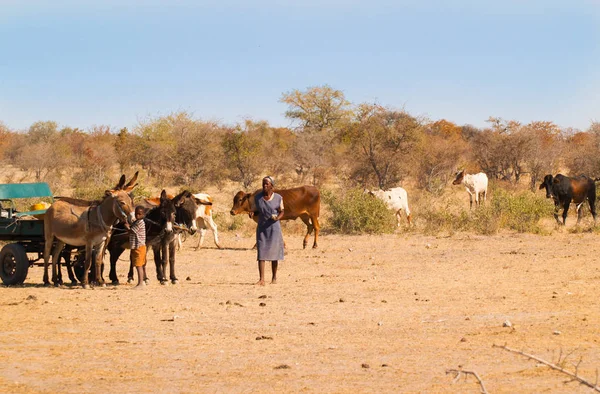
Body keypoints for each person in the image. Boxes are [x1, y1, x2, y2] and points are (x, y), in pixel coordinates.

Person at [249, 176, 284, 285]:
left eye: (267, 184)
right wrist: (252, 213)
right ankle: (262, 279)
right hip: (262, 228)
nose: (264, 186)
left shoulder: (278, 198)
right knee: (261, 253)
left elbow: (282, 211)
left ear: (271, 186)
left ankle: (274, 278)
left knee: (274, 254)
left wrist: (278, 218)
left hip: (274, 228)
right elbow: (255, 209)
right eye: (263, 184)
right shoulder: (258, 198)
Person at [125, 205, 147, 288]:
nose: (137, 215)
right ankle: (140, 282)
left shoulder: (140, 222)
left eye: (139, 214)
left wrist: (127, 227)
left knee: (139, 265)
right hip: (136, 246)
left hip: (139, 247)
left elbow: (132, 231)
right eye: (136, 214)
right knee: (137, 264)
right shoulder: (137, 222)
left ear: (143, 214)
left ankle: (141, 283)